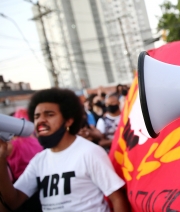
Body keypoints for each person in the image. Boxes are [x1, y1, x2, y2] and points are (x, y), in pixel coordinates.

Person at [0, 88, 130, 211]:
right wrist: (1, 159)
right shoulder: (39, 161)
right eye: (36, 116)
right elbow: (13, 201)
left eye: (49, 115)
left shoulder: (89, 152)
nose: (41, 120)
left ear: (68, 121)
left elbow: (117, 198)